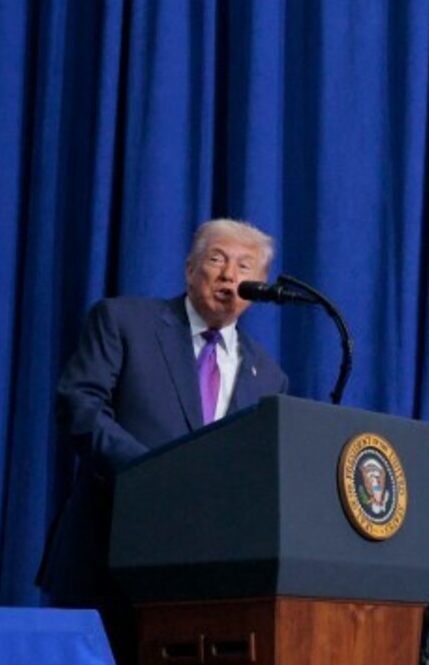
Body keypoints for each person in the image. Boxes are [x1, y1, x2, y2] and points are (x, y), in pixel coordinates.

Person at [38, 219, 291, 611]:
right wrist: (151, 476)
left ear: (259, 286)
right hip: (107, 556)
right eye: (217, 259)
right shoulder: (124, 322)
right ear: (190, 269)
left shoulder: (270, 377)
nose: (229, 274)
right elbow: (80, 407)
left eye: (245, 267)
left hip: (201, 580)